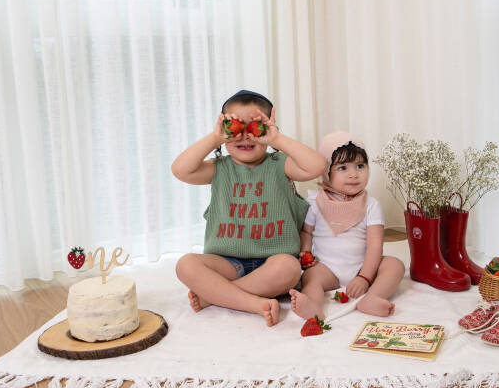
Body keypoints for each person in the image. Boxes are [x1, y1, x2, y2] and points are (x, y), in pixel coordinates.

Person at [172, 90, 326, 326]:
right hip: (226, 263)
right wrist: (214, 138)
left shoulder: (280, 165)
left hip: (273, 263)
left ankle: (215, 296)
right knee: (185, 264)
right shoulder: (219, 168)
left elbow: (317, 166)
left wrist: (277, 140)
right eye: (235, 127)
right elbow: (180, 170)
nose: (245, 136)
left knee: (290, 267)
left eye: (255, 127)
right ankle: (252, 302)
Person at [289, 131, 405, 320]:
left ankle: (373, 297)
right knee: (310, 277)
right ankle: (313, 306)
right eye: (343, 168)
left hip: (362, 266)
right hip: (327, 268)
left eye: (360, 166)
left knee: (395, 265)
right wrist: (305, 253)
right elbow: (307, 232)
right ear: (326, 172)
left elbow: (375, 245)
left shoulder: (371, 205)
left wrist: (364, 277)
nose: (353, 174)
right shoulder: (316, 203)